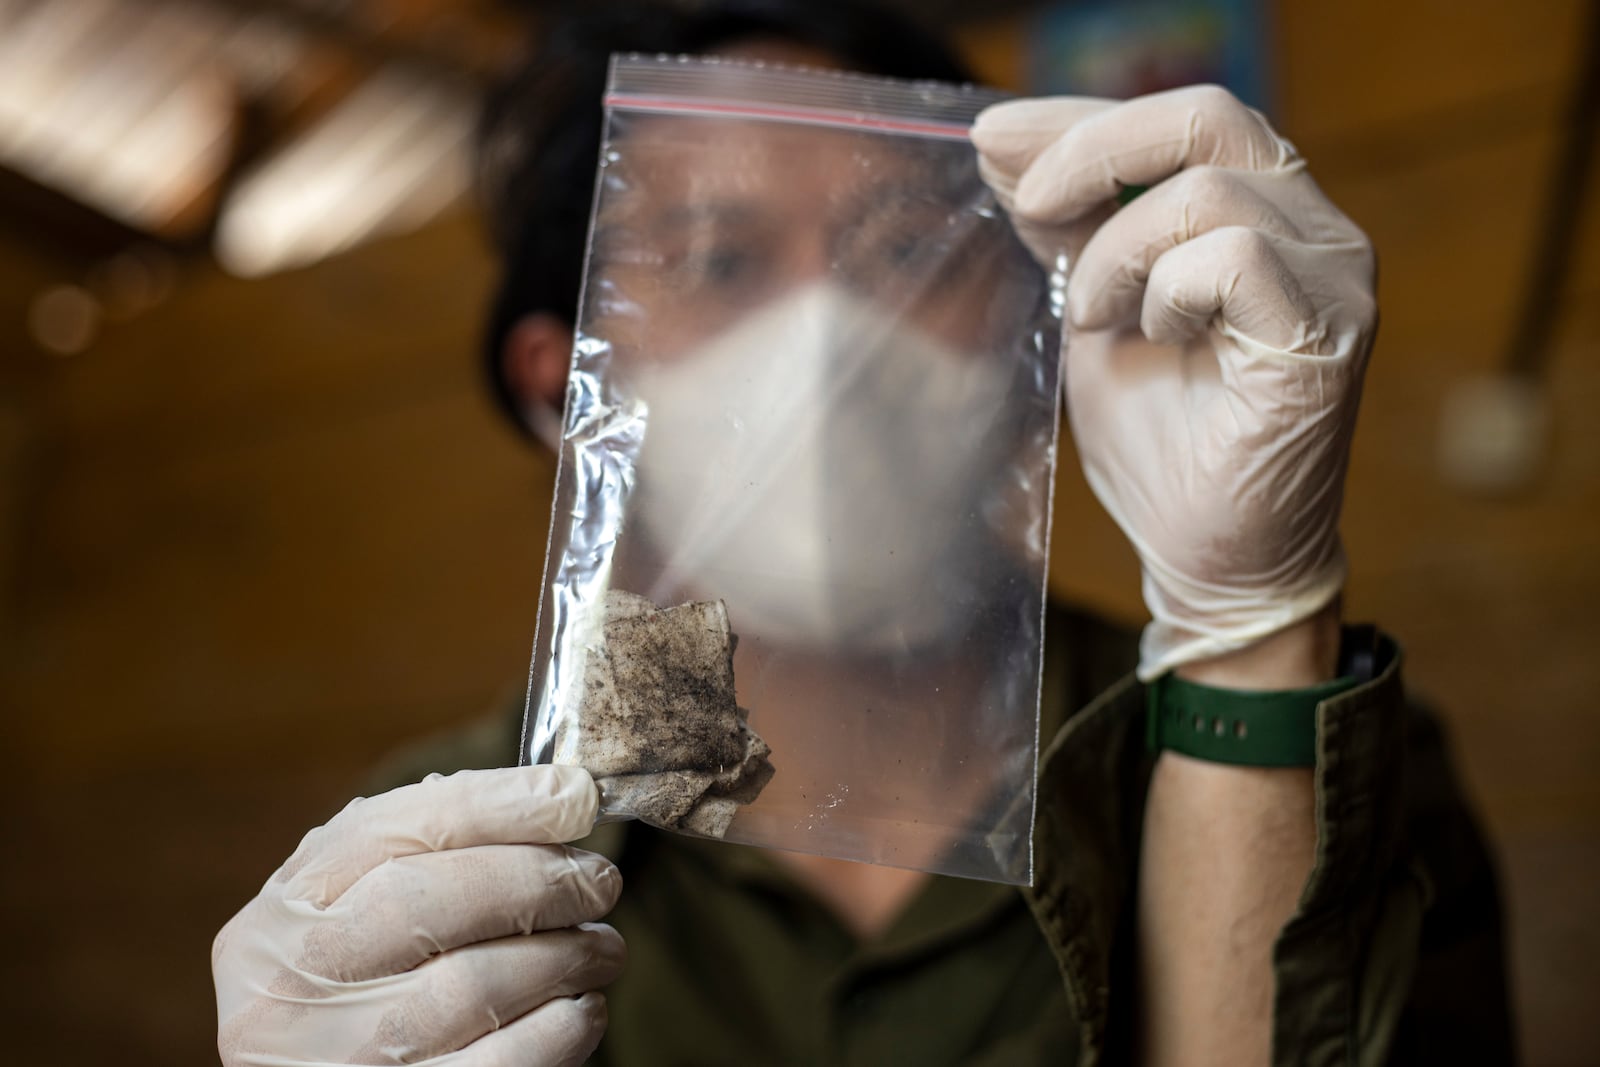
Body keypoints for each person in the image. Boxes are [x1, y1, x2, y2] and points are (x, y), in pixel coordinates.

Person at [210, 2, 1516, 1065]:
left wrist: (1250, 621)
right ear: (568, 385)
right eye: (722, 261)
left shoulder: (1320, 760)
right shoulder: (446, 853)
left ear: (1031, 334)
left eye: (907, 250)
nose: (832, 342)